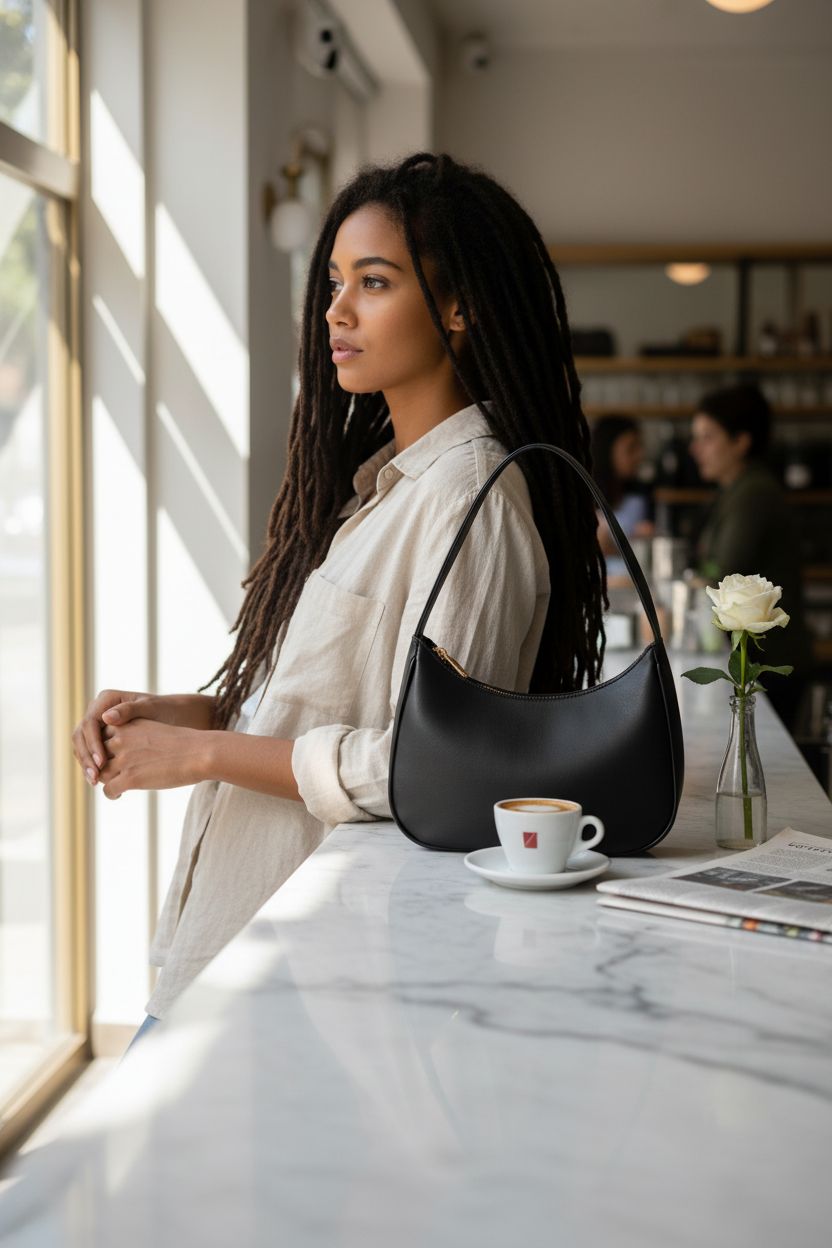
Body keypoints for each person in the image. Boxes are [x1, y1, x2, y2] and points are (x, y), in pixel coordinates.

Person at [71, 152, 608, 1044]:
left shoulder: (470, 502)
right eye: (334, 282)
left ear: (459, 307)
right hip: (230, 946)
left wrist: (200, 758)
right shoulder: (389, 491)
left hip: (308, 983)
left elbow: (436, 769)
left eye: (374, 282)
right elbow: (338, 700)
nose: (337, 311)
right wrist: (193, 716)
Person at [688, 384, 813, 732]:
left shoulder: (754, 492)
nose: (695, 448)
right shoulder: (736, 489)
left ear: (740, 441)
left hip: (774, 664)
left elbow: (722, 571)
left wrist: (698, 576)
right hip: (757, 658)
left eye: (707, 437)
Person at [590, 414, 655, 579]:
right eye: (631, 448)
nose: (639, 455)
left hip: (631, 583)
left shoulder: (642, 493)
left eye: (640, 447)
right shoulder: (585, 493)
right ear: (608, 450)